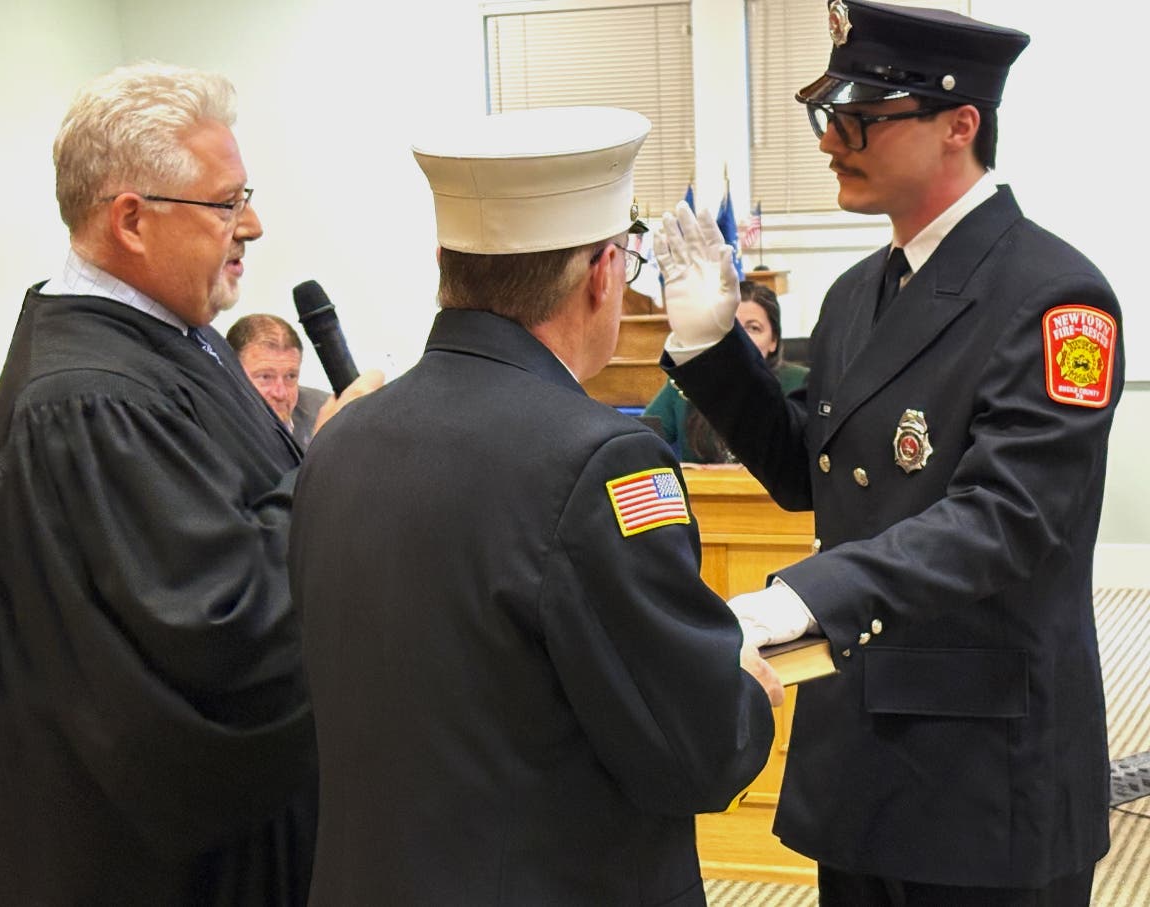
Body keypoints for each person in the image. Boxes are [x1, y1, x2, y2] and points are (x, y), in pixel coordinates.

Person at [654, 2, 1122, 904]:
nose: (833, 143)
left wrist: (809, 592)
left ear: (960, 125)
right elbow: (809, 475)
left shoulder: (1055, 295)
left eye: (863, 118)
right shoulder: (857, 291)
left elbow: (1008, 518)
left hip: (983, 760)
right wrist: (714, 351)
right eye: (830, 118)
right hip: (861, 743)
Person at [288, 105, 782, 906]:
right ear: (602, 274)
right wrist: (746, 697)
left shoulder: (339, 440)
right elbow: (690, 751)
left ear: (444, 261)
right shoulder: (601, 462)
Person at [0, 61, 379, 906]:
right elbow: (223, 635)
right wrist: (334, 462)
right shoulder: (86, 402)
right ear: (132, 221)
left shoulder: (179, 337)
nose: (251, 225)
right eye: (226, 204)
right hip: (147, 866)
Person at [644, 280, 807, 462]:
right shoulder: (688, 381)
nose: (741, 338)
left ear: (773, 341)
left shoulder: (801, 382)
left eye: (753, 328)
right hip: (703, 489)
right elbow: (642, 439)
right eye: (731, 326)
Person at [226, 312, 330, 449]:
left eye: (290, 376)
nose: (281, 394)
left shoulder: (325, 412)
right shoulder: (208, 425)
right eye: (265, 377)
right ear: (231, 374)